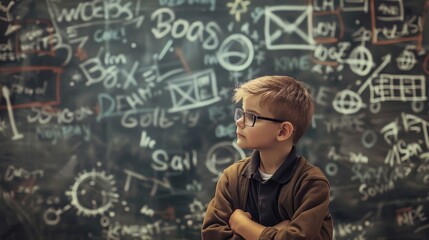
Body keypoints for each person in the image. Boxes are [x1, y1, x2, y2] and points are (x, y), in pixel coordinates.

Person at [201, 75, 333, 240]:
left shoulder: (311, 183)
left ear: (283, 131)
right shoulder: (232, 178)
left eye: (251, 116)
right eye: (241, 113)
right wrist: (277, 232)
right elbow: (212, 235)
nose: (239, 121)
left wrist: (242, 225)